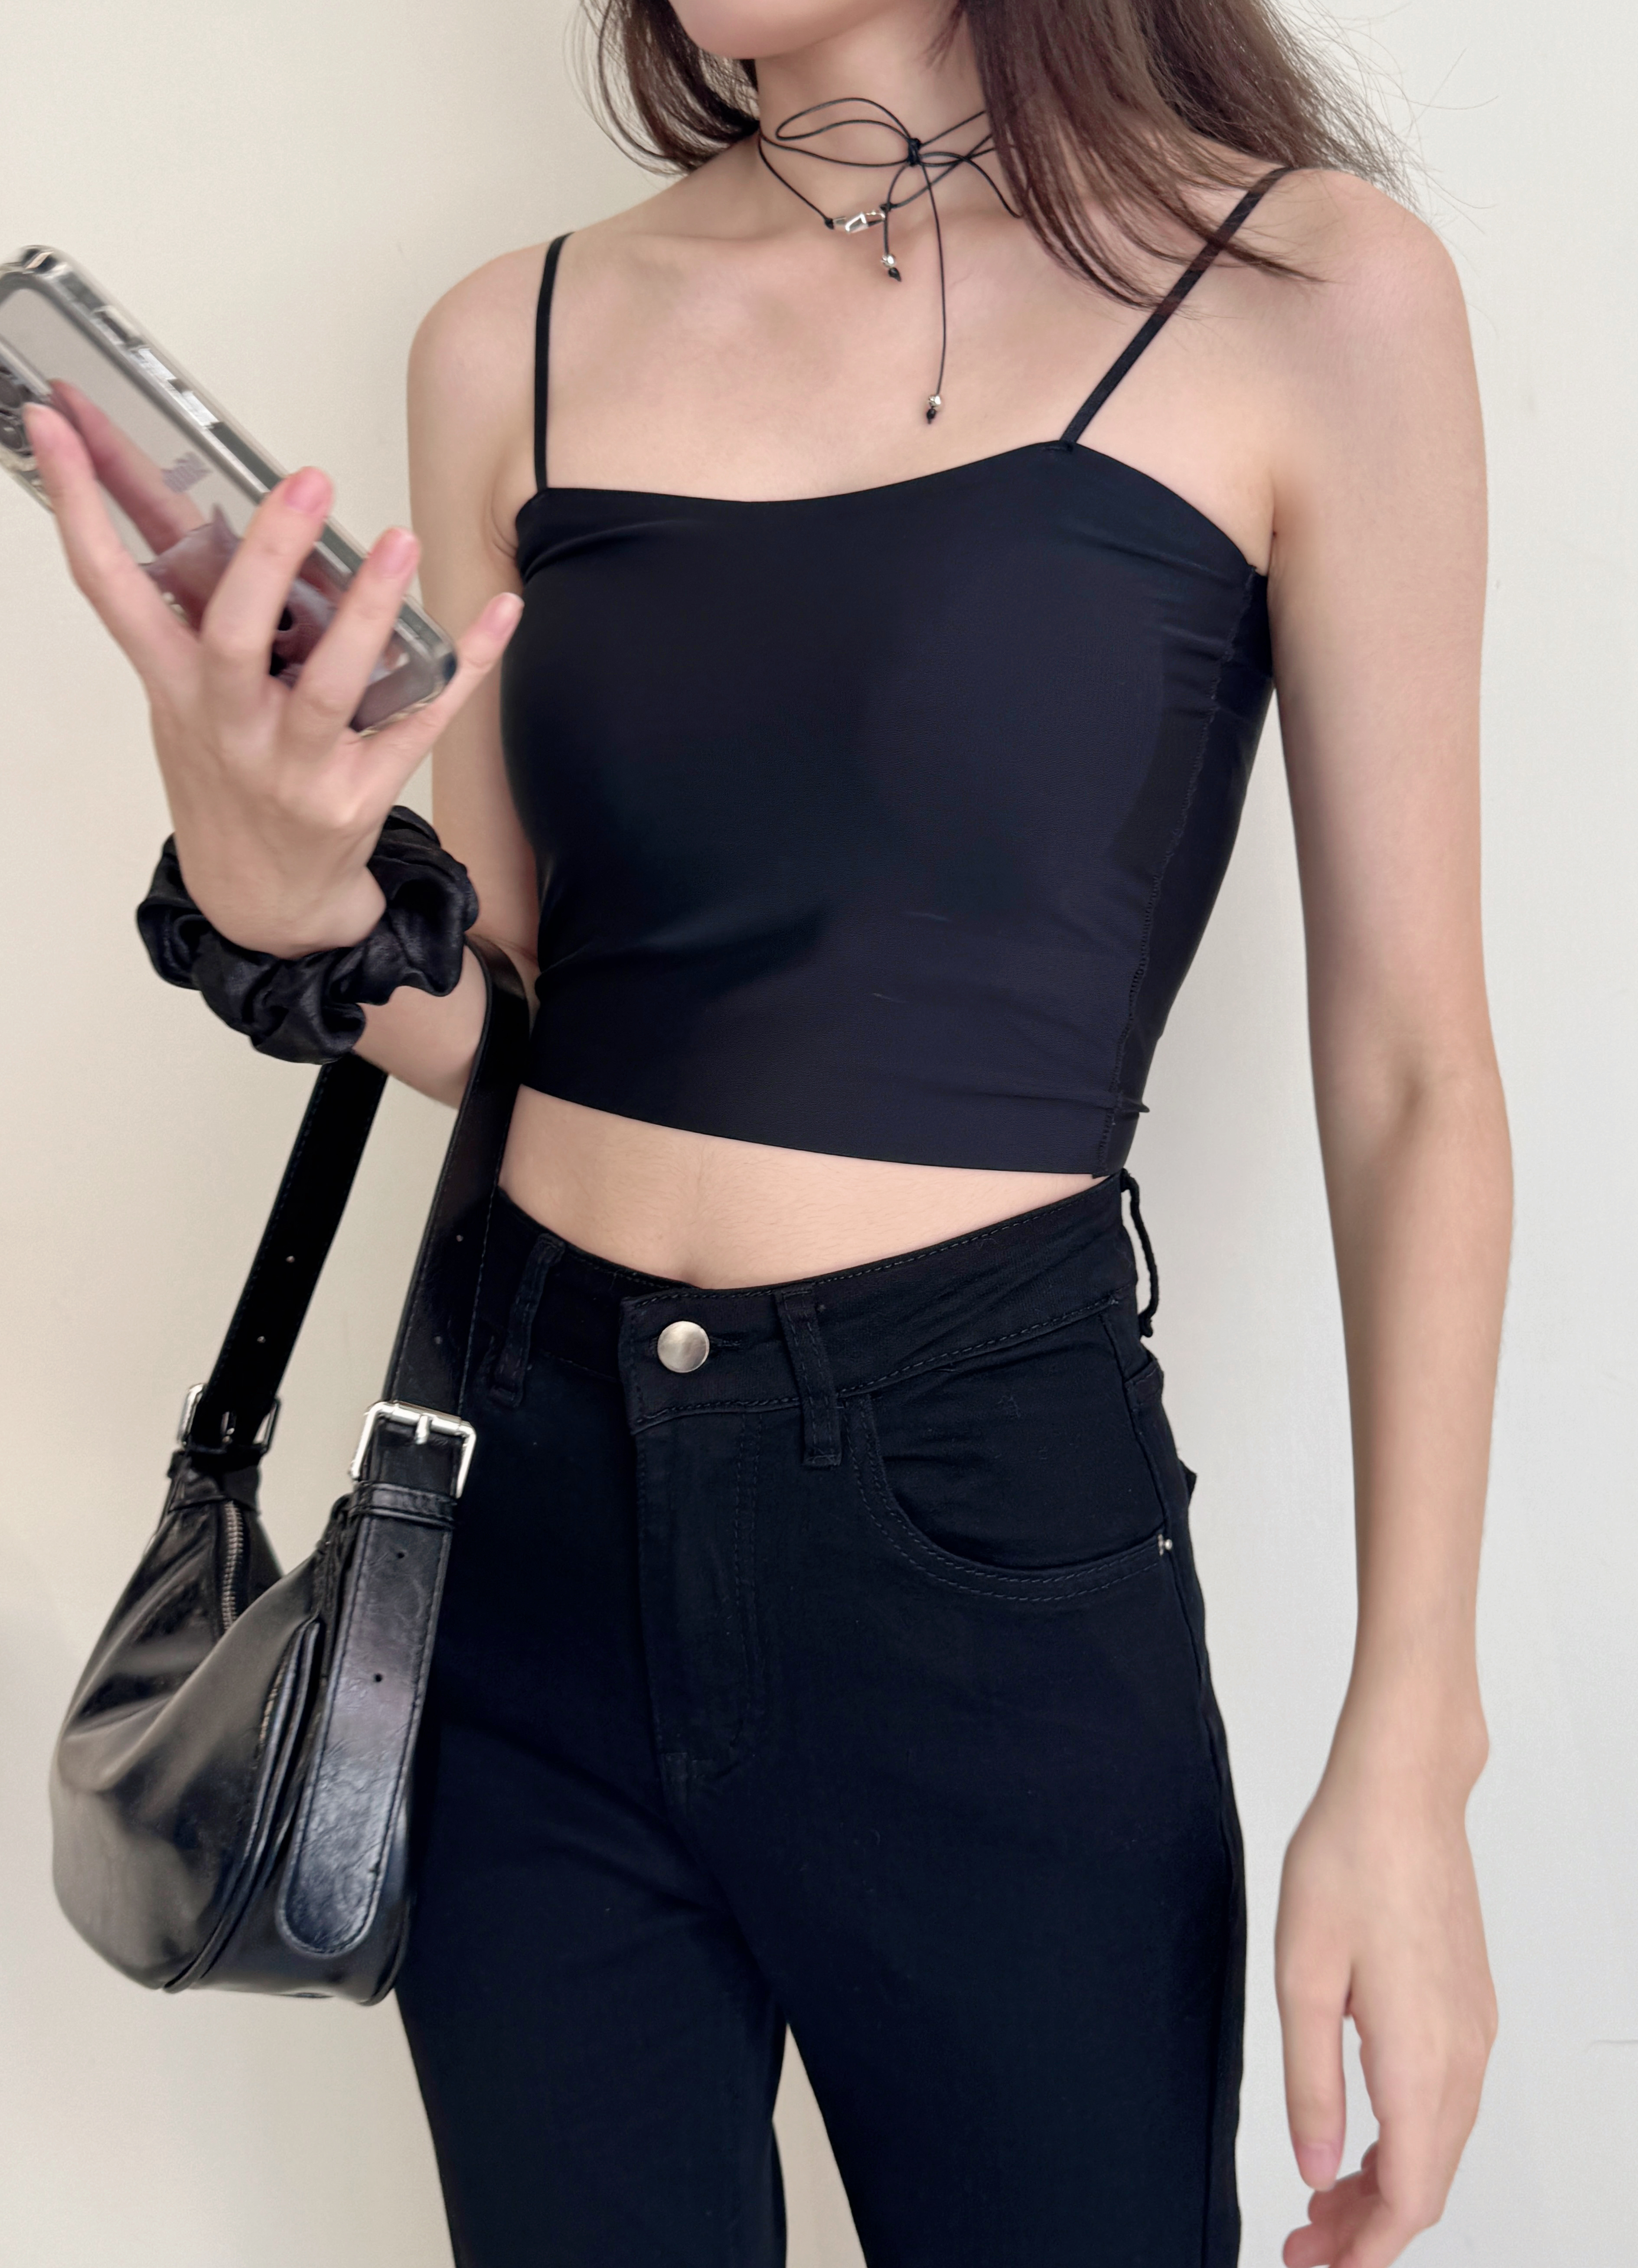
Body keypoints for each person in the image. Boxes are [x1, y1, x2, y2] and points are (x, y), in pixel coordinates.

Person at [24, 0, 1508, 2255]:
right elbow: (518, 1017)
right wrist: (280, 892)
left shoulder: (1309, 292)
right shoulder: (509, 335)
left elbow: (1411, 1071)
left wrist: (1410, 1749)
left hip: (976, 1530)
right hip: (524, 1528)